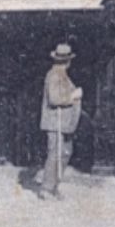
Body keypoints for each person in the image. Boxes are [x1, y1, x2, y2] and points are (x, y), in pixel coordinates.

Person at [39, 42, 84, 199]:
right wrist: (73, 97)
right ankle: (46, 188)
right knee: (55, 154)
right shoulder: (53, 75)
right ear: (68, 60)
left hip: (64, 124)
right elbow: (54, 98)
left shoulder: (62, 74)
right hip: (54, 122)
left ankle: (54, 185)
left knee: (65, 153)